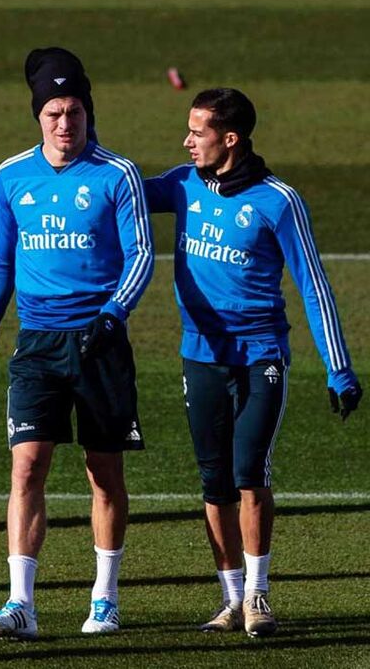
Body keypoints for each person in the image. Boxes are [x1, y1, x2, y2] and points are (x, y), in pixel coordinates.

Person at [144, 88, 361, 637]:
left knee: (249, 473)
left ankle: (258, 596)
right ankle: (231, 599)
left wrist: (338, 369)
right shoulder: (182, 184)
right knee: (213, 482)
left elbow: (313, 285)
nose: (187, 141)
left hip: (261, 355)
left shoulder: (278, 201)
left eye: (197, 132)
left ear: (230, 139)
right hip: (200, 356)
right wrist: (79, 141)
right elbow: (120, 191)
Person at [0, 47, 154, 639]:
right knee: (27, 466)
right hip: (37, 344)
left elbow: (142, 254)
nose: (64, 123)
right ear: (38, 116)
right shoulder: (10, 175)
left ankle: (105, 598)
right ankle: (20, 604)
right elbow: (0, 258)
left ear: (88, 112)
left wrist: (114, 313)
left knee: (104, 473)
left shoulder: (117, 174)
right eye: (53, 113)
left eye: (74, 111)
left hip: (100, 343)